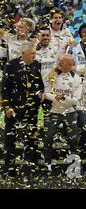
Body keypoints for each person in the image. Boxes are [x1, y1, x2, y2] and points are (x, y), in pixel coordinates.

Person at [1, 42, 45, 177]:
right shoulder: (10, 65)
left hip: (32, 108)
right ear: (23, 54)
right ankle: (10, 167)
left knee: (31, 137)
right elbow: (4, 88)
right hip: (14, 109)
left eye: (34, 53)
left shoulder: (37, 64)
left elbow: (39, 84)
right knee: (11, 138)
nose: (34, 56)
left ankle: (32, 165)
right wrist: (7, 106)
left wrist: (40, 92)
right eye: (32, 53)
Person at [42, 54, 82, 173]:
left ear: (70, 65)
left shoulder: (76, 78)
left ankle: (72, 164)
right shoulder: (52, 74)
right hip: (53, 112)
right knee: (48, 137)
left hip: (70, 112)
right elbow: (46, 93)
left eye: (62, 61)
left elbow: (75, 100)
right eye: (59, 61)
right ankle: (47, 163)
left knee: (73, 139)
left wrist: (63, 98)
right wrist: (56, 98)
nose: (59, 63)